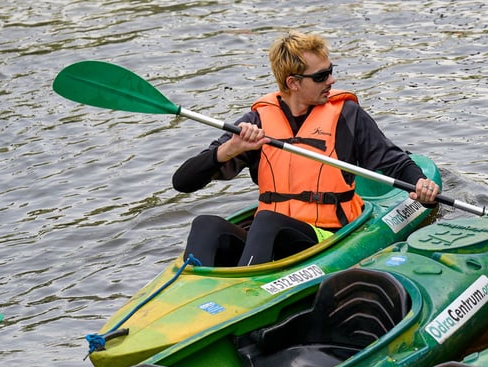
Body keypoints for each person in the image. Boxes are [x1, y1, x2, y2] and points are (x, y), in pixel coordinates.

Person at [172, 31, 441, 267]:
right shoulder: (256, 122)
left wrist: (421, 184)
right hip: (270, 237)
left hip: (329, 235)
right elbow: (182, 182)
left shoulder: (347, 116)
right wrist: (229, 149)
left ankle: (244, 293)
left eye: (331, 70)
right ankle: (191, 295)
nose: (332, 80)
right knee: (205, 224)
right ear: (293, 83)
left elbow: (393, 161)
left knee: (266, 222)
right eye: (321, 76)